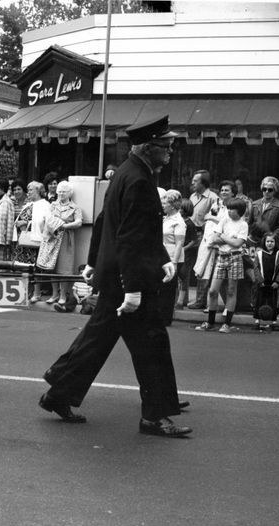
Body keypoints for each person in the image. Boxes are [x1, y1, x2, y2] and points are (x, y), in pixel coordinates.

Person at [39, 115, 191, 438]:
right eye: (166, 146)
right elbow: (130, 237)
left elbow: (108, 221)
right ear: (149, 148)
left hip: (117, 275)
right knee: (152, 347)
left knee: (97, 340)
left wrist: (99, 262)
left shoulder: (128, 172)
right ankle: (155, 415)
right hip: (129, 281)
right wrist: (133, 290)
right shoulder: (138, 180)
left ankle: (58, 393)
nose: (170, 152)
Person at [194, 198, 249, 333]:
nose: (229, 211)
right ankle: (210, 322)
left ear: (240, 211)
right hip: (221, 256)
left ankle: (227, 324)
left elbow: (237, 244)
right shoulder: (224, 220)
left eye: (232, 209)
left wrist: (223, 237)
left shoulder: (243, 225)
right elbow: (213, 239)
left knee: (231, 290)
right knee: (213, 290)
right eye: (228, 208)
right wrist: (228, 239)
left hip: (235, 257)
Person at [36, 180, 83, 311]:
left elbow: (79, 222)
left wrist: (64, 226)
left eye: (64, 192)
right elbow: (47, 218)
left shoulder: (75, 207)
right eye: (59, 192)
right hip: (53, 238)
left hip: (66, 239)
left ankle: (63, 294)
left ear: (69, 193)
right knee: (52, 267)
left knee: (64, 267)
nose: (61, 194)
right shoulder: (52, 205)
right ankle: (54, 293)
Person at [187, 170, 219, 309]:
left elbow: (216, 217)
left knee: (203, 267)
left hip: (203, 235)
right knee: (186, 267)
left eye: (196, 181)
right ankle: (183, 298)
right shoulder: (192, 196)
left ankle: (201, 300)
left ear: (203, 182)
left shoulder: (213, 197)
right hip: (190, 234)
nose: (192, 183)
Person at [13, 181, 47, 301]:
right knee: (23, 267)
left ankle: (36, 293)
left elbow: (44, 222)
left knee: (35, 268)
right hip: (23, 241)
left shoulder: (44, 205)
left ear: (38, 191)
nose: (28, 192)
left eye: (31, 189)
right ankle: (23, 291)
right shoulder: (29, 204)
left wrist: (27, 223)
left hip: (34, 242)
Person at [159, 189, 186, 325]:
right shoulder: (166, 219)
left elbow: (180, 242)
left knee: (168, 289)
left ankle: (165, 317)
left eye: (165, 203)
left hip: (171, 257)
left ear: (173, 205)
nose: (163, 205)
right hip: (162, 256)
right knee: (161, 286)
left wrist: (174, 262)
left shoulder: (178, 221)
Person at [252, 232, 279, 332]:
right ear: (264, 242)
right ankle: (257, 321)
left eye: (272, 241)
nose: (270, 243)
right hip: (262, 283)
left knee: (273, 302)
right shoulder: (259, 254)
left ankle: (274, 322)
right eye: (268, 241)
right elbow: (256, 268)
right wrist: (260, 280)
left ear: (276, 243)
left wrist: (277, 281)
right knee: (259, 301)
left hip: (273, 283)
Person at [175, 197, 196, 308]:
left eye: (180, 208)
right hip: (176, 253)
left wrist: (184, 248)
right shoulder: (177, 221)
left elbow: (194, 241)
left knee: (183, 277)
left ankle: (181, 300)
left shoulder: (189, 224)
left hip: (186, 255)